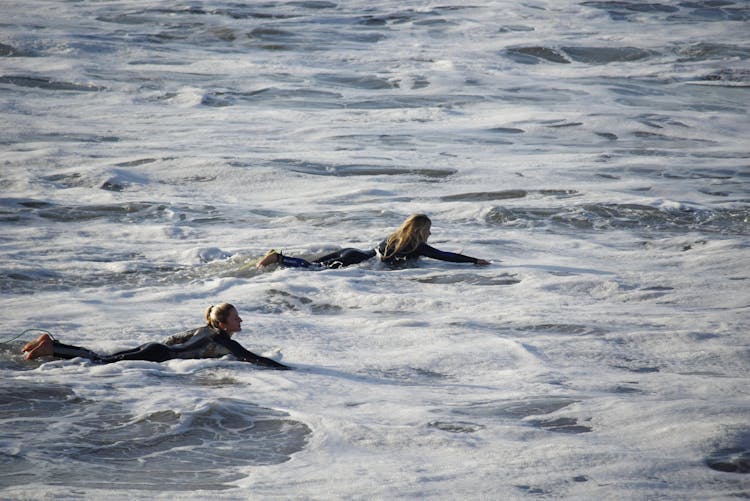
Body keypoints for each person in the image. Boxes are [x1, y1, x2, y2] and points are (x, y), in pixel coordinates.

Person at [21, 303, 290, 370]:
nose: (240, 320)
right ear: (222, 323)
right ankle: (51, 348)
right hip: (158, 354)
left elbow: (174, 339)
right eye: (235, 318)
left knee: (101, 358)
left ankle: (53, 345)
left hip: (157, 348)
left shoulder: (203, 330)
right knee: (100, 362)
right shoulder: (221, 339)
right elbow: (251, 358)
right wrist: (288, 369)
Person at [256, 213, 491, 269]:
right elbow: (444, 256)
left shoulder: (395, 237)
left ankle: (278, 256)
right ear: (420, 231)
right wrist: (474, 260)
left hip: (353, 252)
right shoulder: (416, 246)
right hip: (356, 263)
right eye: (428, 230)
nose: (430, 234)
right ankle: (278, 257)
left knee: (313, 264)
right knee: (311, 269)